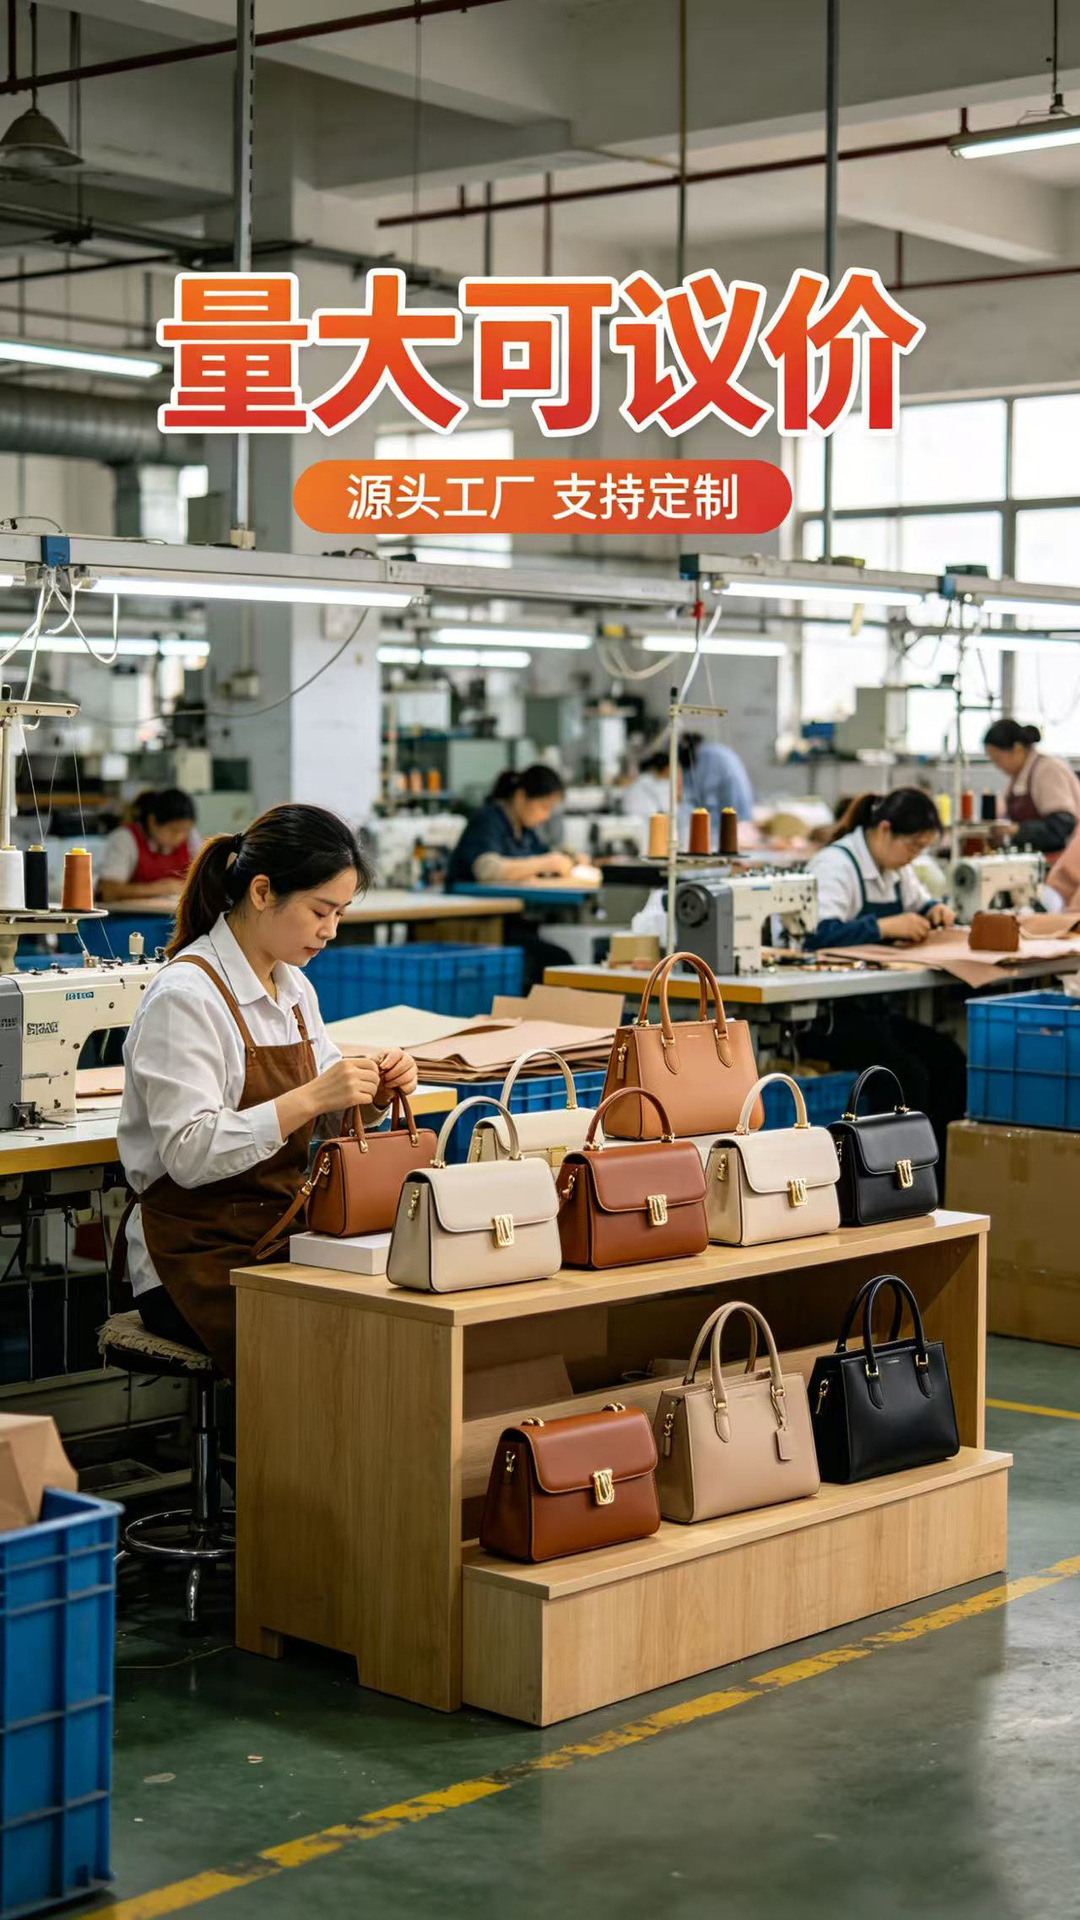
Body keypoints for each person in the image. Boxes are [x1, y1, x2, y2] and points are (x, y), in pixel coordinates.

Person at [115, 804, 418, 1379]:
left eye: (340, 914)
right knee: (337, 1349)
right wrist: (311, 1096)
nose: (331, 931)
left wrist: (374, 1092)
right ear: (261, 892)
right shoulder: (186, 997)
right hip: (193, 1256)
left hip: (279, 1231)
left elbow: (327, 1119)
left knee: (403, 1315)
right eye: (320, 911)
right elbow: (189, 1154)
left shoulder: (293, 988)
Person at [801, 789, 965, 1154]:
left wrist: (935, 910)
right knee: (907, 1074)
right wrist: (884, 927)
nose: (915, 855)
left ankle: (939, 1173)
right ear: (885, 829)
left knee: (948, 1058)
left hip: (873, 1013)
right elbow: (817, 934)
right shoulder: (836, 864)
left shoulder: (896, 869)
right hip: (828, 1020)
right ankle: (899, 1174)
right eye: (913, 845)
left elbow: (921, 902)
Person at [445, 766, 572, 989]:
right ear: (521, 797)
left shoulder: (524, 830)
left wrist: (569, 858)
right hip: (477, 927)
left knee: (556, 958)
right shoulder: (488, 820)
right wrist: (547, 863)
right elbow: (487, 869)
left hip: (508, 922)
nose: (546, 816)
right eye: (544, 807)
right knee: (556, 962)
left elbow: (544, 855)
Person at [983, 719, 1080, 855]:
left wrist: (1016, 830)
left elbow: (1061, 829)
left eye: (998, 758)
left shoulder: (1048, 770)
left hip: (1062, 859)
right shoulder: (1017, 778)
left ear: (1017, 749)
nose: (997, 766)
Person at [98, 788, 201, 902]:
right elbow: (107, 890)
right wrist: (161, 889)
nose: (180, 837)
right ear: (152, 822)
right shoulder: (125, 838)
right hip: (132, 912)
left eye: (186, 830)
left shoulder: (190, 837)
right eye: (173, 830)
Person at [679, 736, 754, 837]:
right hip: (738, 820)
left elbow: (693, 799)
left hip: (731, 822)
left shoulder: (707, 758)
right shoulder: (715, 752)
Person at [622, 749, 675, 821]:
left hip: (634, 822)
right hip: (652, 824)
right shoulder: (662, 785)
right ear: (666, 768)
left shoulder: (639, 782)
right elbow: (668, 810)